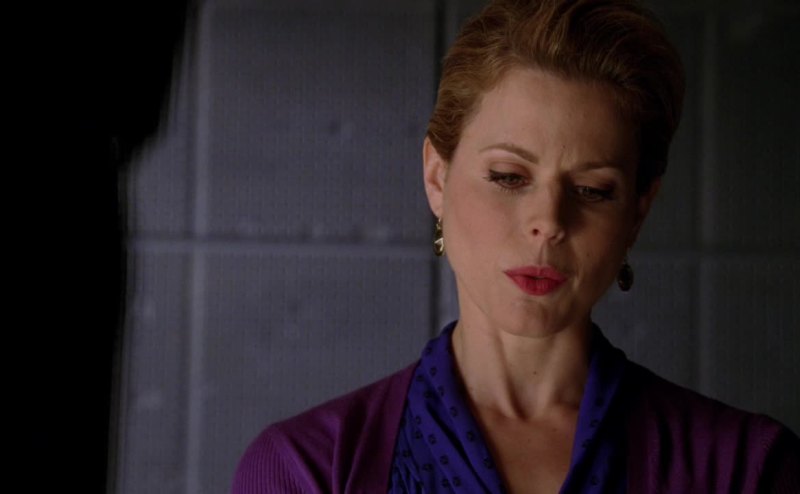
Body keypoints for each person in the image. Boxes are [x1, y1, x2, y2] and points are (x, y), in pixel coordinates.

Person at [232, 0, 800, 492]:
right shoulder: (308, 471)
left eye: (592, 190)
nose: (548, 222)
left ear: (637, 212)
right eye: (508, 177)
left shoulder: (747, 469)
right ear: (437, 176)